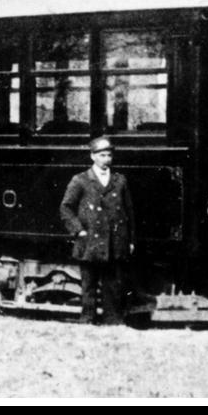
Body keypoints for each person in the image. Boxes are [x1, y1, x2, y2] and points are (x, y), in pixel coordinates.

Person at [59, 136, 135, 324]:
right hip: (90, 241)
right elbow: (66, 208)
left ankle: (113, 319)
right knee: (89, 284)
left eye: (109, 155)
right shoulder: (81, 180)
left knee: (112, 283)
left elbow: (129, 212)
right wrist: (78, 231)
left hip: (114, 242)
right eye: (102, 155)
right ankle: (87, 318)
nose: (106, 159)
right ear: (93, 156)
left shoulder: (119, 181)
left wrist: (130, 240)